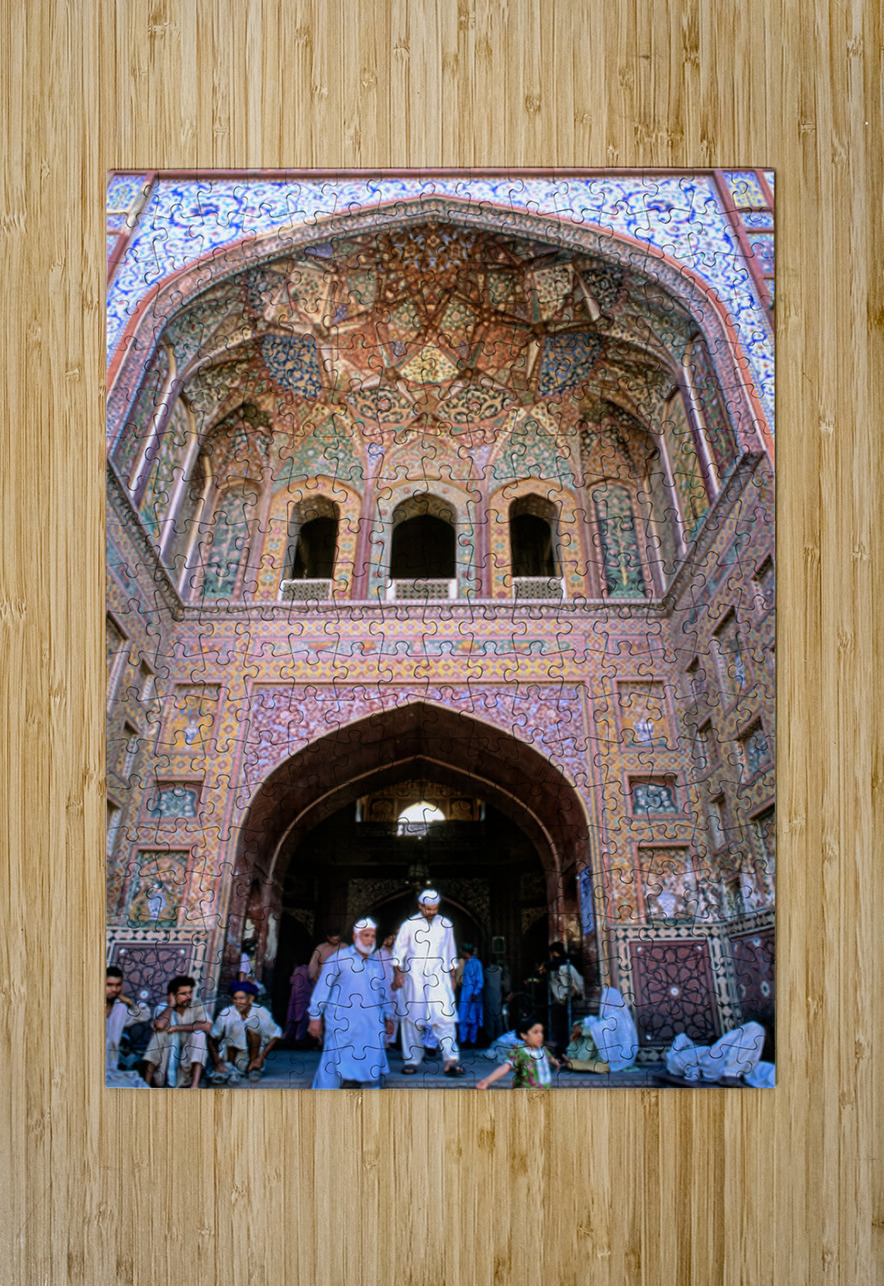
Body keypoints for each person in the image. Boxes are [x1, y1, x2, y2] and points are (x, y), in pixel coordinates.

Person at [308, 918, 395, 1089]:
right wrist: (315, 1017)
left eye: (372, 936)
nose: (370, 940)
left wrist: (388, 1016)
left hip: (371, 1025)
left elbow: (382, 993)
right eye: (366, 935)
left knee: (370, 1065)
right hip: (342, 1023)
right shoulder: (339, 958)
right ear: (356, 937)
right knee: (332, 1066)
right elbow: (322, 989)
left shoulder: (376, 963)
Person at [392, 889, 465, 1077]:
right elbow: (398, 952)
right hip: (414, 977)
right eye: (428, 908)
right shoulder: (409, 924)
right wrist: (398, 974)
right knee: (411, 1019)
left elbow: (450, 952)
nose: (432, 912)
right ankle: (411, 1061)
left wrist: (452, 977)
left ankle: (451, 1061)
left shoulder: (445, 924)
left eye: (435, 908)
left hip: (439, 977)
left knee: (445, 1017)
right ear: (420, 906)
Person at [142, 975, 212, 1088]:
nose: (188, 997)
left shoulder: (196, 1004)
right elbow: (160, 1025)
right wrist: (171, 1005)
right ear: (173, 995)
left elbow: (207, 1026)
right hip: (165, 1062)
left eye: (190, 992)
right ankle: (146, 1084)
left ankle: (194, 1085)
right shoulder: (163, 1008)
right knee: (159, 1035)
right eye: (183, 994)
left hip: (187, 1063)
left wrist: (176, 1028)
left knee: (199, 1035)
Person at [208, 980, 282, 1083]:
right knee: (236, 1025)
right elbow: (211, 1037)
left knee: (253, 1024)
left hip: (253, 1057)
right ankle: (231, 1068)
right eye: (235, 998)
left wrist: (260, 1058)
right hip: (230, 1057)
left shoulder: (261, 1011)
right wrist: (217, 1062)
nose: (238, 1002)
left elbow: (276, 1034)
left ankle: (253, 1068)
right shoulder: (227, 1012)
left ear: (250, 999)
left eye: (241, 998)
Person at [476, 1016, 561, 1089]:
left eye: (541, 1032)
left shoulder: (542, 1050)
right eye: (535, 1032)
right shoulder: (519, 1051)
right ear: (524, 1035)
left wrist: (556, 1063)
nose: (540, 1035)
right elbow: (505, 1067)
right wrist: (487, 1080)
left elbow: (550, 1058)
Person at [105, 965, 151, 1087]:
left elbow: (145, 1016)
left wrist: (129, 1002)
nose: (114, 989)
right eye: (109, 985)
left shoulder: (120, 1008)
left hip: (110, 1066)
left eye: (118, 985)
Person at [539, 942, 584, 1054]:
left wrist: (545, 965)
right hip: (568, 997)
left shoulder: (564, 963)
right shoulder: (563, 962)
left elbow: (554, 965)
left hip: (570, 996)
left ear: (553, 952)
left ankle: (564, 1048)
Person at [375, 932, 405, 1049]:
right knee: (381, 1014)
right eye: (389, 938)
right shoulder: (378, 953)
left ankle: (390, 1041)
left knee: (395, 1014)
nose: (391, 941)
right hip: (382, 987)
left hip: (396, 988)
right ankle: (381, 1041)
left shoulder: (399, 954)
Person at [457, 943, 484, 1047]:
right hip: (464, 994)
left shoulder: (476, 964)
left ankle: (472, 1041)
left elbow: (480, 980)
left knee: (473, 1020)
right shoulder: (464, 964)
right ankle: (463, 1041)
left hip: (473, 996)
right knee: (463, 1018)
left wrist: (475, 993)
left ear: (466, 952)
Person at [284, 962, 312, 1044]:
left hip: (295, 996)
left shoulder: (297, 970)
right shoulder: (310, 970)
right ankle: (298, 1039)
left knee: (292, 1017)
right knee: (302, 1019)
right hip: (305, 996)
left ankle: (287, 1038)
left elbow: (291, 981)